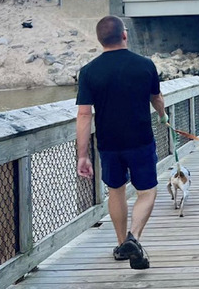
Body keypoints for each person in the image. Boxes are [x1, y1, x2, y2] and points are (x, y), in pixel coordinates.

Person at [76, 15, 167, 270]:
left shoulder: (89, 72)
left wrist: (82, 155)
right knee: (147, 191)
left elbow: (84, 114)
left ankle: (121, 246)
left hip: (108, 144)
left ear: (99, 39)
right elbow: (156, 98)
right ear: (124, 35)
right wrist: (163, 116)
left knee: (115, 191)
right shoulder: (145, 65)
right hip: (140, 141)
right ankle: (134, 238)